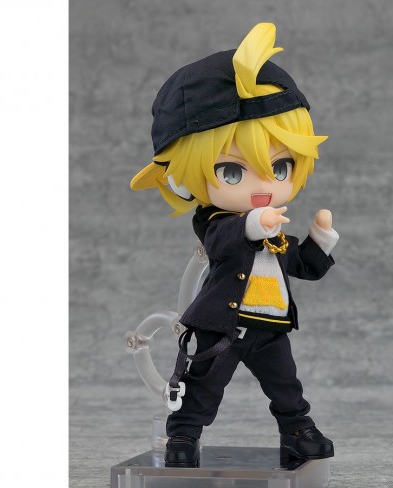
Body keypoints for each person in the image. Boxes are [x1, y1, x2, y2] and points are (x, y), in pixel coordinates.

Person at [131, 23, 339, 468]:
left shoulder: (275, 230)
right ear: (182, 178)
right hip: (222, 329)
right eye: (232, 172)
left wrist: (320, 238)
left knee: (286, 386)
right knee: (203, 387)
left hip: (270, 327)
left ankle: (297, 430)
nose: (265, 185)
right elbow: (223, 240)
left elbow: (304, 265)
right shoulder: (217, 222)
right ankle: (183, 435)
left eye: (280, 168)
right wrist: (253, 223)